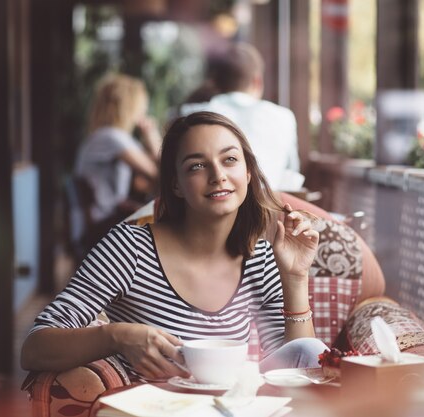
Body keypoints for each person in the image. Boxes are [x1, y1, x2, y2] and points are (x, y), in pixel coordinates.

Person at [22, 111, 327, 382]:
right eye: (196, 166)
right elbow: (35, 348)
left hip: (231, 410)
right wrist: (115, 335)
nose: (218, 175)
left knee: (313, 351)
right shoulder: (131, 248)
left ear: (247, 172)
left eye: (230, 159)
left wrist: (295, 277)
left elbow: (293, 366)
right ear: (176, 185)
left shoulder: (259, 257)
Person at [180, 42, 301, 191]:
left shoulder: (191, 116)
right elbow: (291, 171)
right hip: (268, 205)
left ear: (215, 82)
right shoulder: (284, 117)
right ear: (257, 81)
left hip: (213, 201)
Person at [74, 73, 162, 249]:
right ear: (128, 105)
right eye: (141, 105)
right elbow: (158, 174)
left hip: (107, 219)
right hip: (105, 226)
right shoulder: (110, 137)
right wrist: (153, 138)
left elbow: (148, 178)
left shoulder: (108, 136)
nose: (144, 111)